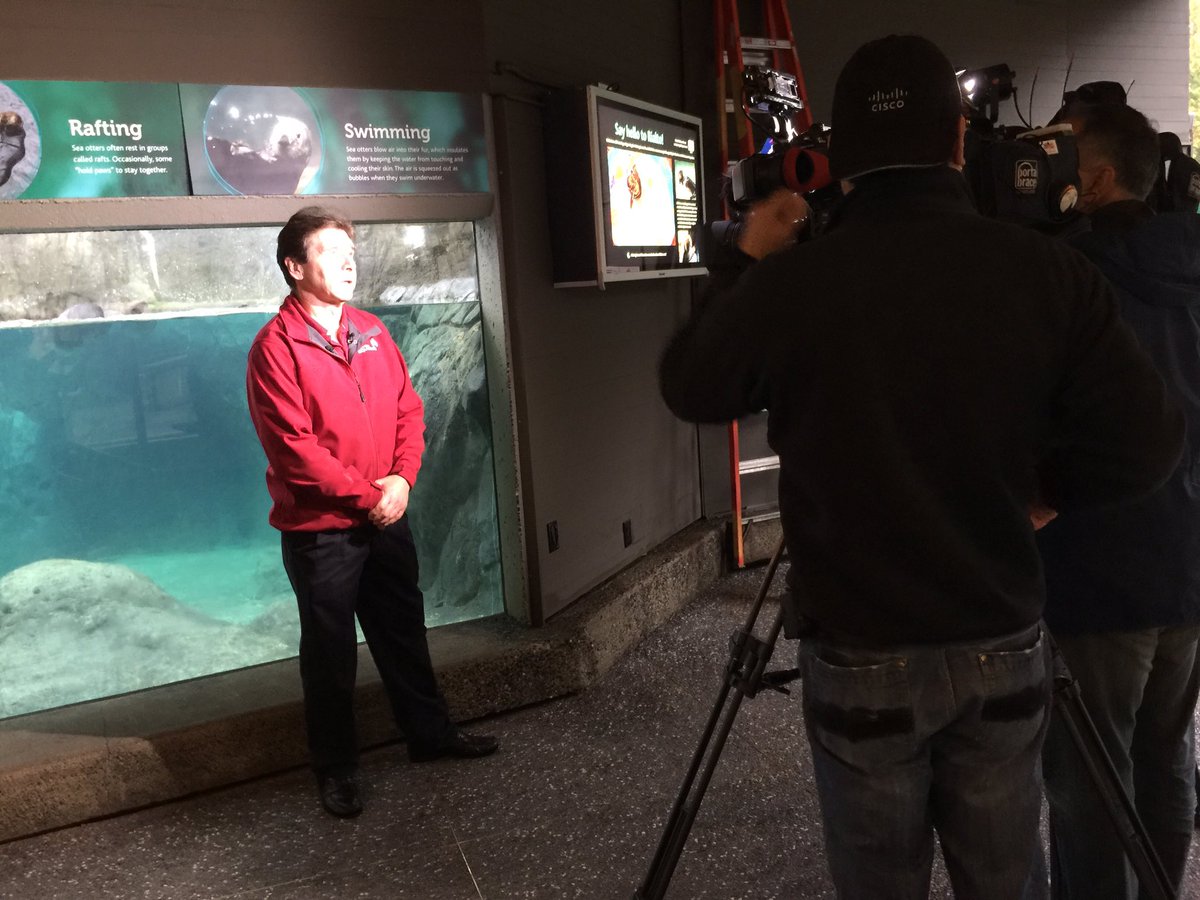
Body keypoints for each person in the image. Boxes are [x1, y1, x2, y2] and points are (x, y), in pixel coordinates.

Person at [658, 35, 1184, 898]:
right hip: (999, 640)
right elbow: (1148, 440)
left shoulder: (799, 283)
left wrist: (747, 256)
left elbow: (692, 384)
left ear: (839, 161)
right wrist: (1050, 496)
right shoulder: (1049, 272)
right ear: (957, 143)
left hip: (858, 645)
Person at [246, 206, 497, 819]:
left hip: (387, 515)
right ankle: (335, 769)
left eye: (350, 249)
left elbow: (409, 411)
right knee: (330, 655)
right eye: (330, 251)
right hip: (323, 534)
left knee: (404, 633)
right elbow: (295, 452)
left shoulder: (373, 332)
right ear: (294, 266)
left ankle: (430, 737)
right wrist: (372, 496)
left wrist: (403, 481)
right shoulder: (275, 349)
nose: (348, 260)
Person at [1035, 102, 1200, 898]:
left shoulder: (1070, 277)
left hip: (1097, 569)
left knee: (1093, 779)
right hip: (1190, 562)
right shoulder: (1193, 261)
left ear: (1095, 178)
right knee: (1167, 760)